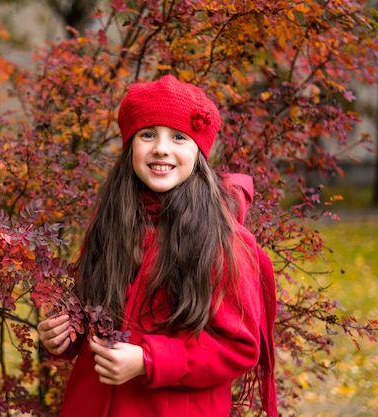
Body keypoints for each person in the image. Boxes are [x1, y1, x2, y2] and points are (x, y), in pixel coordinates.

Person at [38, 74, 278, 417]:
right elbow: (94, 310)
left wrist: (148, 361)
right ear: (130, 147)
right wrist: (66, 335)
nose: (161, 148)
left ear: (199, 152)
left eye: (179, 137)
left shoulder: (220, 239)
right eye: (148, 134)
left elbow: (237, 347)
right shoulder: (111, 222)